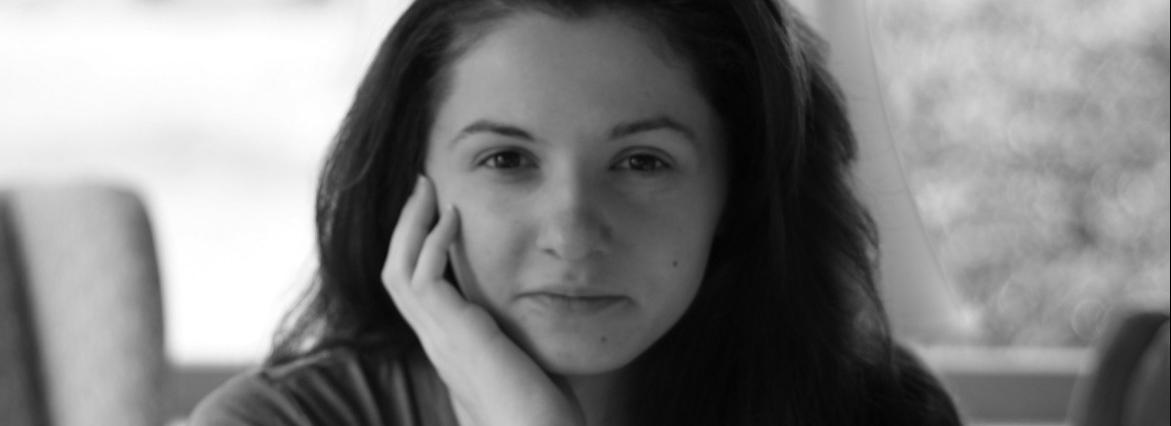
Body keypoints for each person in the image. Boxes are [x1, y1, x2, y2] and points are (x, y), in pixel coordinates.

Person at [191, 0, 963, 424]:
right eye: (506, 160)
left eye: (641, 163)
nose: (571, 234)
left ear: (739, 190)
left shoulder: (878, 416)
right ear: (412, 186)